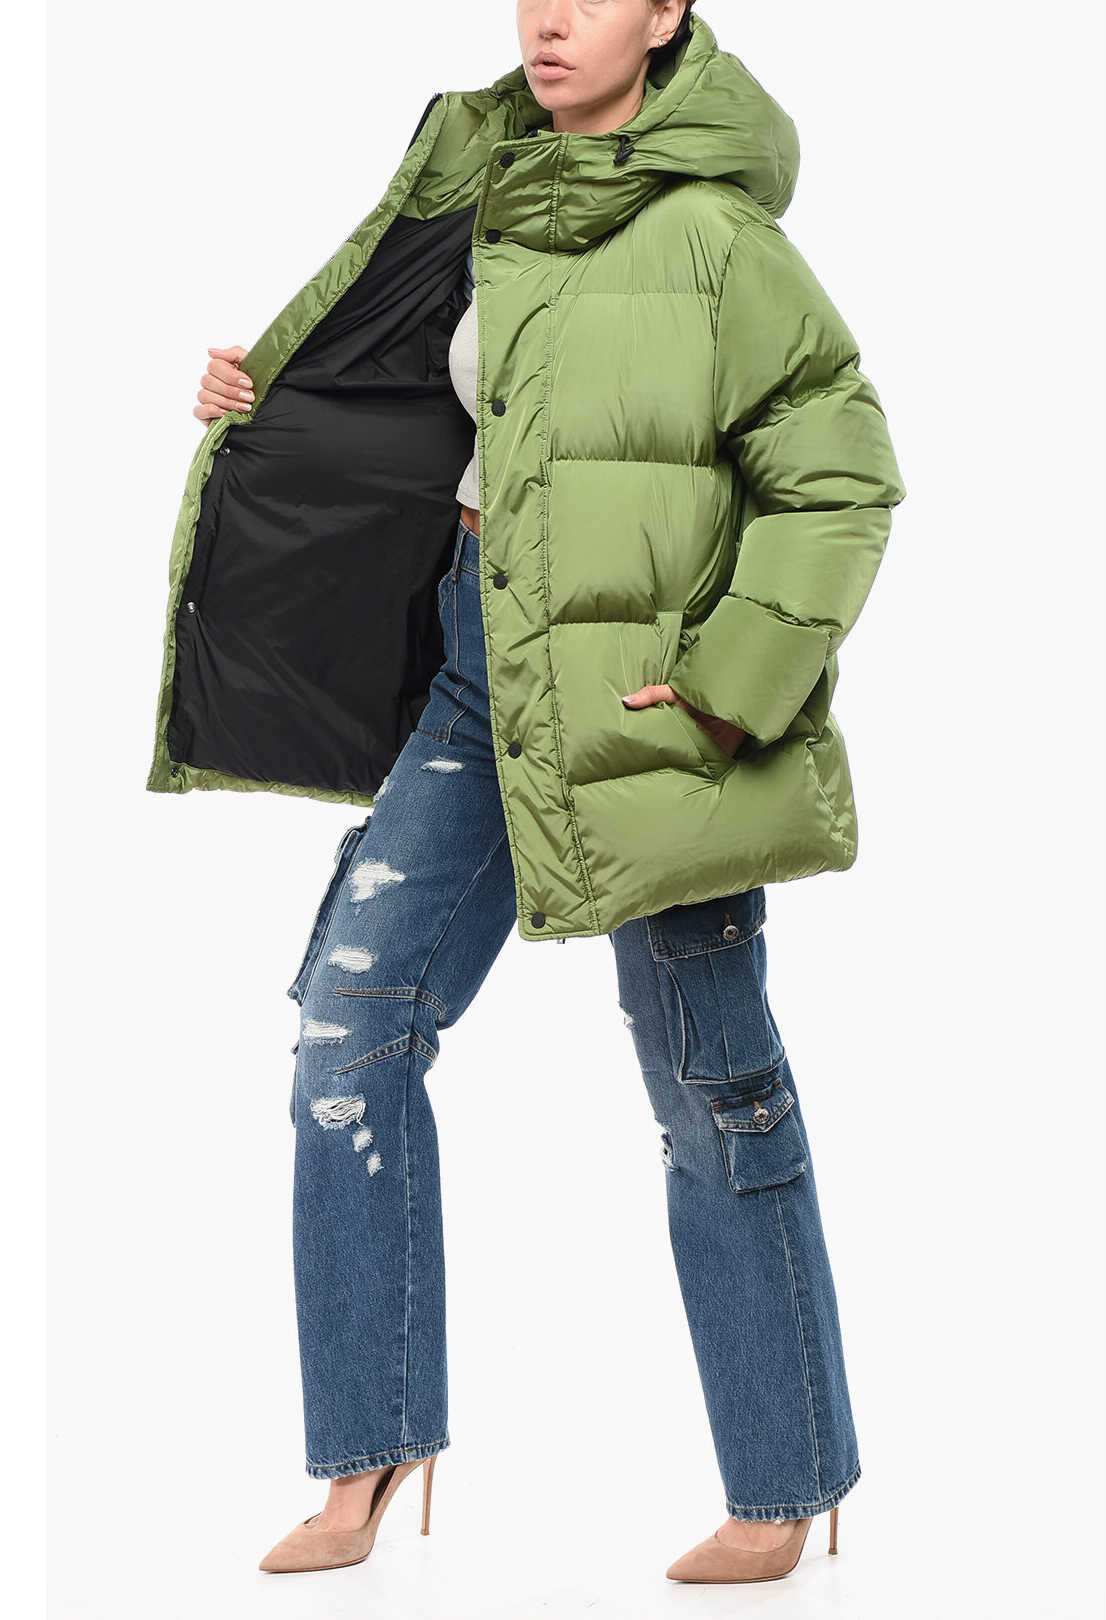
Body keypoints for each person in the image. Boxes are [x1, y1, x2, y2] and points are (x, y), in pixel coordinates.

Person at [167, 0, 905, 1586]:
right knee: (348, 1032)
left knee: (707, 1079)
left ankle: (783, 1483)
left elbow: (839, 480)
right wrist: (265, 398)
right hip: (475, 660)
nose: (551, 18)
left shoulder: (715, 237)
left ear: (667, 13)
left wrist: (728, 687)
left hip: (651, 703)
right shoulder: (482, 192)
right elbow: (421, 412)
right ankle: (371, 1448)